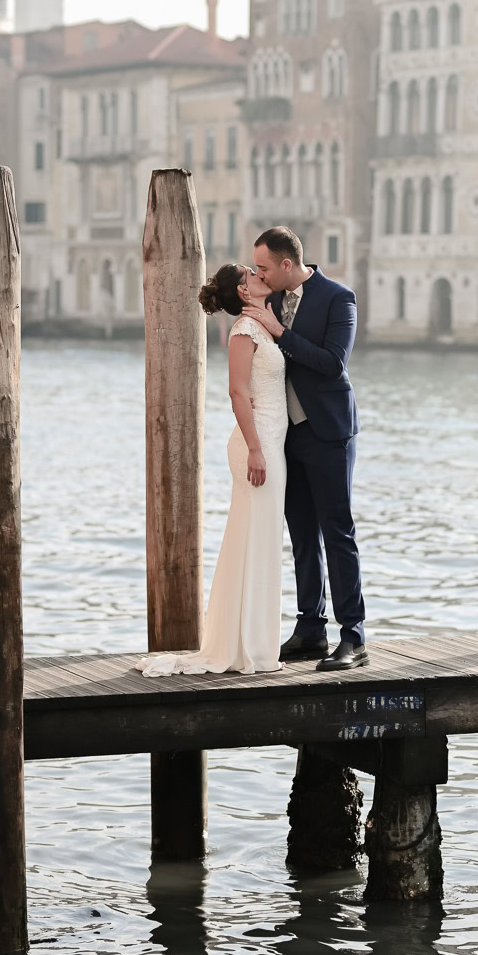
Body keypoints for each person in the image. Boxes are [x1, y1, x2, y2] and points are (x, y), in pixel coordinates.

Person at [140, 263, 286, 677]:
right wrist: (255, 449)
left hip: (273, 442)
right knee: (253, 537)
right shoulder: (243, 332)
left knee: (262, 539)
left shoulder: (261, 323)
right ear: (243, 290)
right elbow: (237, 391)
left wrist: (274, 325)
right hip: (258, 448)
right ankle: (247, 649)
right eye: (251, 274)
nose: (260, 275)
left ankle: (255, 645)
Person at [243, 227, 369, 672]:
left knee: (338, 533)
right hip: (286, 435)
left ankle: (353, 636)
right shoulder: (268, 300)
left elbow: (333, 363)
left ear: (286, 264)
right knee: (301, 538)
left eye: (263, 266)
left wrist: (276, 329)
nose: (258, 272)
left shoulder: (339, 298)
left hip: (329, 431)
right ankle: (310, 629)